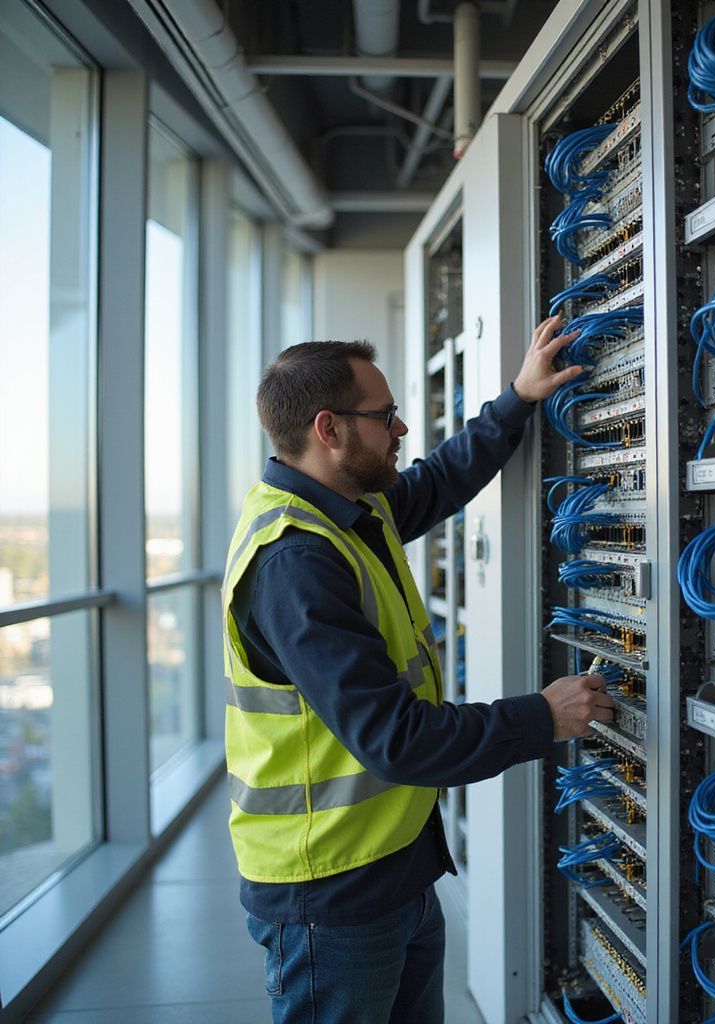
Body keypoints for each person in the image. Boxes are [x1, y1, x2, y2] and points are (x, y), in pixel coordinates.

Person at [223, 313, 614, 1024]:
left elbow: (434, 483)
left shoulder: (346, 509)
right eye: (386, 416)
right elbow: (398, 740)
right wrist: (543, 716)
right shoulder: (297, 560)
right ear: (328, 429)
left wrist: (517, 400)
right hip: (330, 892)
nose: (401, 430)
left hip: (390, 867)